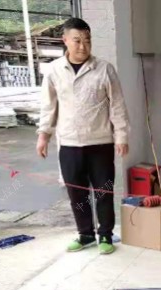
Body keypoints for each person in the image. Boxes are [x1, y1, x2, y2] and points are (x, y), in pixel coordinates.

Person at [37, 17, 129, 255]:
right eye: (77, 40)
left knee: (104, 191)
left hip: (100, 142)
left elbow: (117, 105)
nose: (83, 46)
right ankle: (85, 234)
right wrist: (44, 135)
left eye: (87, 40)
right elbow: (49, 106)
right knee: (77, 193)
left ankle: (105, 234)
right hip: (69, 143)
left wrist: (121, 136)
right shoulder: (54, 71)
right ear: (65, 40)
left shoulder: (104, 69)